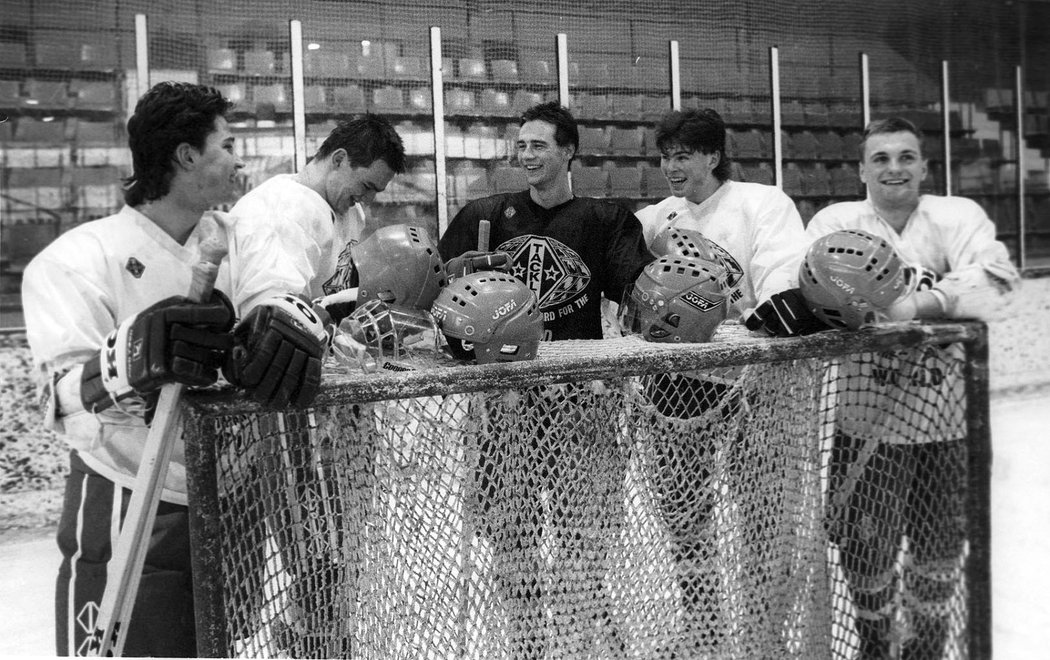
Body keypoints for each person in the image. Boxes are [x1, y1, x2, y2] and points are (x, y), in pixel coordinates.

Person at [21, 82, 244, 657]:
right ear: (187, 156)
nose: (239, 158)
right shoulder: (77, 258)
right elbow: (62, 401)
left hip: (234, 499)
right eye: (228, 143)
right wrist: (133, 357)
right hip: (127, 496)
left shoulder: (238, 244)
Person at [438, 100, 653, 656]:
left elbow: (639, 289)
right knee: (512, 536)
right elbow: (437, 295)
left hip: (581, 405)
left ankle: (585, 640)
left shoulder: (607, 220)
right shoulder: (482, 215)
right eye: (522, 144)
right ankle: (528, 642)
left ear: (568, 152)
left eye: (539, 145)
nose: (526, 154)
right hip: (504, 405)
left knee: (582, 540)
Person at [804, 117, 1019, 660]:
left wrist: (913, 306)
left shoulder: (957, 216)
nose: (894, 168)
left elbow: (999, 281)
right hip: (865, 427)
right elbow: (807, 285)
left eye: (906, 156)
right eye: (881, 158)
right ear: (860, 170)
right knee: (865, 558)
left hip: (946, 426)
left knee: (939, 558)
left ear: (925, 165)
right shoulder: (838, 221)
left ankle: (926, 652)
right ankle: (877, 649)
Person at [631, 107, 815, 655]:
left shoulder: (762, 202)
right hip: (678, 383)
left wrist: (765, 315)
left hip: (753, 384)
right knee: (685, 517)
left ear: (713, 156)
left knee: (760, 516)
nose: (671, 167)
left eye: (682, 156)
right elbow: (614, 246)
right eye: (665, 157)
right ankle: (703, 627)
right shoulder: (662, 215)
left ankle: (762, 633)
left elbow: (783, 273)